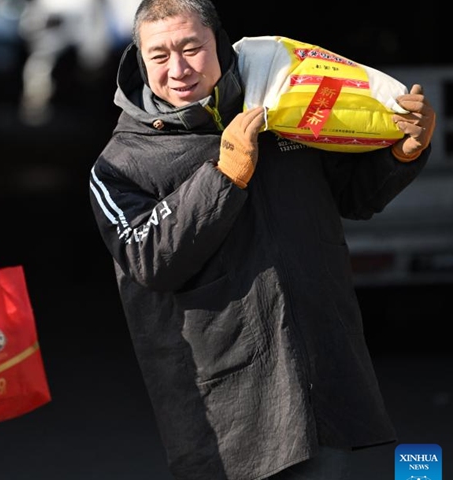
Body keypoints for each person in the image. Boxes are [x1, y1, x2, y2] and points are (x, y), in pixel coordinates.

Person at [87, 0, 436, 479]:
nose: (179, 69)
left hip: (319, 375)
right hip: (228, 408)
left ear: (220, 45)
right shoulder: (120, 164)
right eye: (160, 56)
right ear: (140, 60)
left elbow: (352, 197)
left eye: (192, 48)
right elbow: (149, 260)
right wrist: (223, 176)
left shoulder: (279, 105)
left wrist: (402, 152)